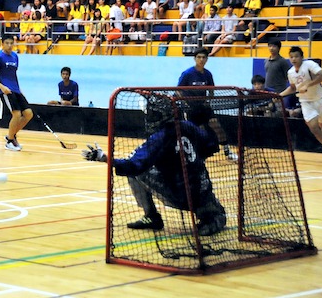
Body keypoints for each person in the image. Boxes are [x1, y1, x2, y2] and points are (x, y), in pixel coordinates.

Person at [81, 94, 226, 235]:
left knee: (137, 172)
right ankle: (210, 212)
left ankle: (151, 215)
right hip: (204, 190)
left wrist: (105, 158)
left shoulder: (160, 138)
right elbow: (212, 145)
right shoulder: (188, 126)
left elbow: (134, 165)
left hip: (183, 196)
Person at [279, 47, 322, 164]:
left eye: (296, 56)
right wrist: (280, 95)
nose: (294, 59)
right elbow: (293, 88)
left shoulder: (309, 65)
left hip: (321, 99)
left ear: (301, 57)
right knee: (313, 127)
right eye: (291, 57)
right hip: (306, 102)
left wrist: (308, 84)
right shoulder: (290, 72)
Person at [178, 48, 238, 161]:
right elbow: (178, 89)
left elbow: (211, 89)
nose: (201, 60)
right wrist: (185, 102)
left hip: (204, 107)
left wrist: (208, 100)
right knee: (197, 132)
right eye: (199, 57)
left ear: (207, 59)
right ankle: (198, 155)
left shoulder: (208, 74)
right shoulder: (187, 74)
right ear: (194, 59)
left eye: (203, 57)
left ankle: (227, 152)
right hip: (191, 109)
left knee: (217, 126)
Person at [0, 35, 33, 151]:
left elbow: (13, 75)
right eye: (7, 43)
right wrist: (2, 87)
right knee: (17, 114)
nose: (9, 46)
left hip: (16, 89)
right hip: (5, 90)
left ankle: (11, 136)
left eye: (11, 43)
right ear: (2, 43)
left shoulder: (15, 56)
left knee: (28, 114)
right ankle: (10, 141)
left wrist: (20, 90)